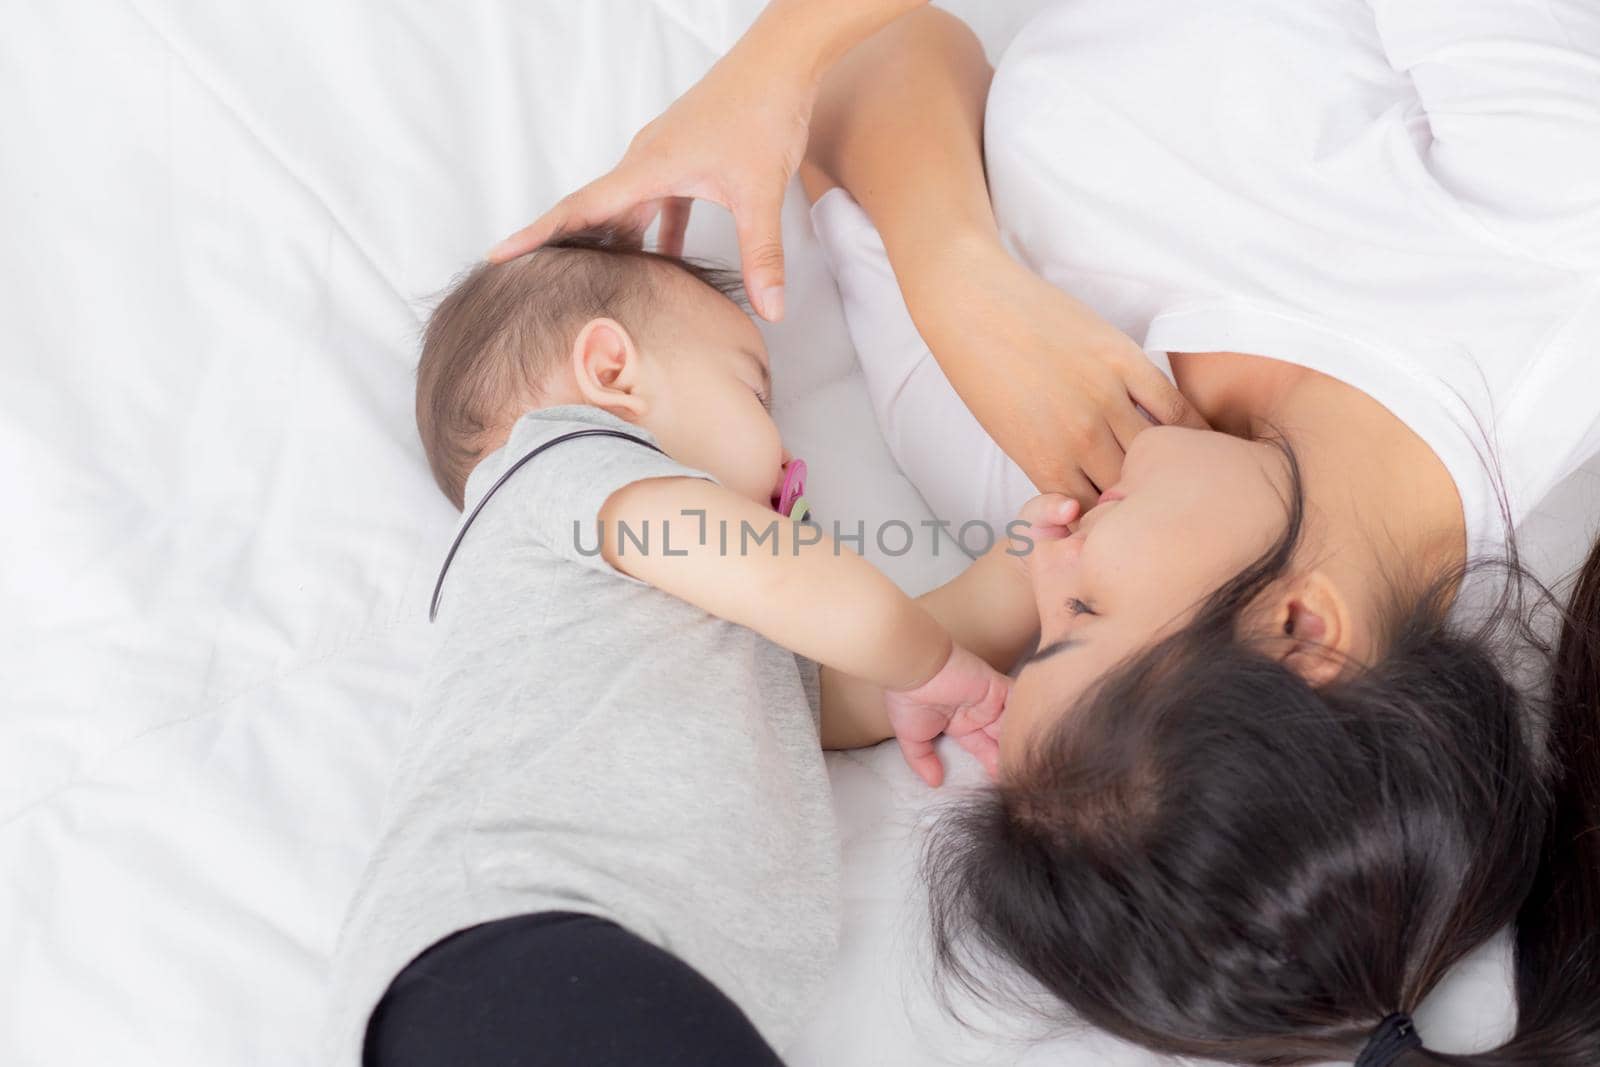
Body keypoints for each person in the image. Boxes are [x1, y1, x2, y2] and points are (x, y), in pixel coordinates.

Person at [794, 5, 1600, 1065]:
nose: (1046, 551)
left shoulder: (1045, 471)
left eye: (1034, 643)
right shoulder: (1544, 251)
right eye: (1078, 616)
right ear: (1298, 624)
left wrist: (957, 279)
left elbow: (859, 60)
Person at [322, 228, 1032, 1067]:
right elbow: (799, 585)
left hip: (600, 974)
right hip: (521, 942)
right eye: (755, 392)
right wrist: (926, 660)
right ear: (612, 374)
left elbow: (819, 694)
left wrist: (1027, 574)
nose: (790, 454)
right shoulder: (559, 459)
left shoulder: (669, 594)